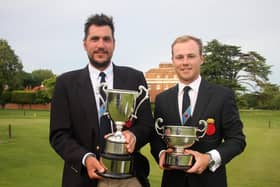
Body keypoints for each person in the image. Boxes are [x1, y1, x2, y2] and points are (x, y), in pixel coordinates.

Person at [49, 13, 154, 187]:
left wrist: (134, 135)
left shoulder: (135, 78)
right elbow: (59, 135)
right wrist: (85, 158)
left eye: (106, 39)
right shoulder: (65, 83)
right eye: (95, 39)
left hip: (129, 177)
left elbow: (147, 125)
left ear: (114, 44)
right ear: (85, 44)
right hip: (83, 179)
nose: (101, 45)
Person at [150, 35, 246, 187]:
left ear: (201, 58)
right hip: (172, 182)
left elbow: (237, 140)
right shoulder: (162, 99)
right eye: (180, 57)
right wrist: (161, 154)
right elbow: (156, 138)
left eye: (191, 56)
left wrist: (209, 158)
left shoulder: (222, 96)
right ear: (173, 60)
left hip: (210, 181)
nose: (185, 62)